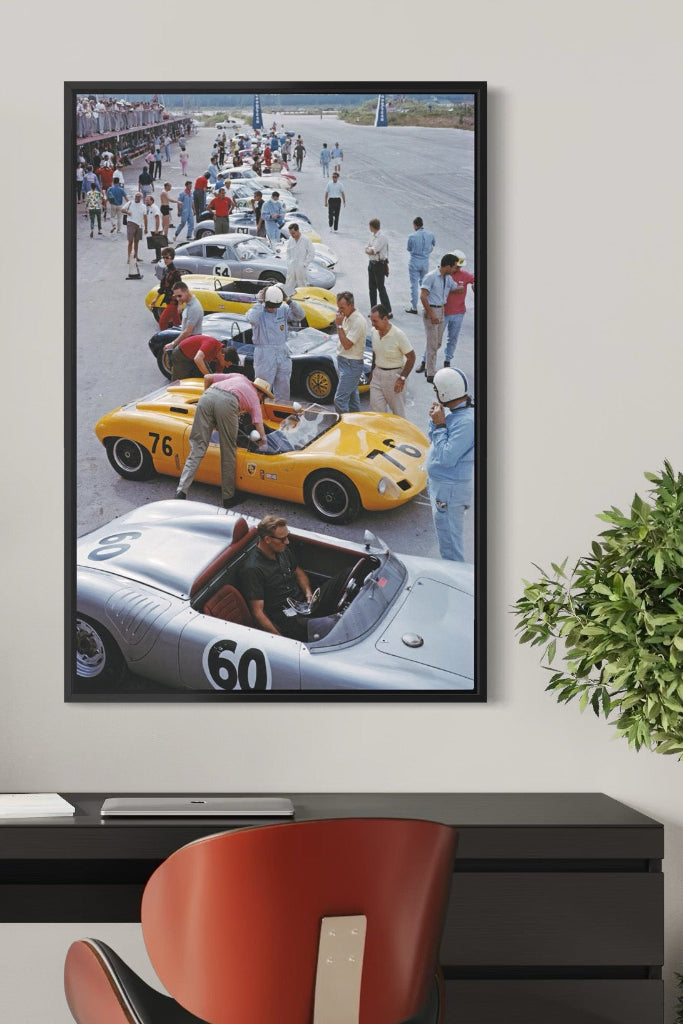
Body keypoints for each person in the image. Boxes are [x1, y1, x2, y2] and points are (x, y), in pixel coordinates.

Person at [240, 516, 353, 641]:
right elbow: (258, 613)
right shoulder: (252, 569)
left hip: (303, 603)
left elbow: (298, 571)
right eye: (283, 539)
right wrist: (279, 639)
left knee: (348, 574)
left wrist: (308, 593)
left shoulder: (281, 550)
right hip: (288, 619)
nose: (287, 542)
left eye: (287, 536)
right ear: (267, 539)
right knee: (335, 626)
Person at [175, 375, 272, 508]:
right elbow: (258, 424)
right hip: (228, 403)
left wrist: (208, 404)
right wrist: (263, 443)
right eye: (263, 398)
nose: (262, 401)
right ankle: (228, 498)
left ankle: (181, 491)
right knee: (228, 451)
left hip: (207, 397)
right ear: (260, 393)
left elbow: (207, 377)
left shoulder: (240, 377)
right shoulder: (255, 398)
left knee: (197, 448)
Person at [426, 367, 474, 562]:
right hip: (443, 486)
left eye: (437, 390)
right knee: (445, 536)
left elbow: (446, 458)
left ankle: (456, 584)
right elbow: (435, 441)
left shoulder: (466, 422)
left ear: (445, 392)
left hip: (449, 491)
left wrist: (439, 425)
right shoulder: (456, 414)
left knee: (450, 547)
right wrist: (436, 423)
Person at [245, 284, 306, 400]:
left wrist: (288, 300)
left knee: (283, 388)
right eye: (270, 306)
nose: (272, 309)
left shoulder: (282, 310)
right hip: (264, 354)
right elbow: (251, 319)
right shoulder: (258, 312)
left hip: (282, 352)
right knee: (262, 389)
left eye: (275, 306)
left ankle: (281, 413)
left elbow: (300, 315)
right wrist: (259, 302)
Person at [368, 304, 415, 417]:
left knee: (398, 414)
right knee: (377, 413)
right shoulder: (374, 332)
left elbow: (411, 357)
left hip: (394, 377)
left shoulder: (398, 335)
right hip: (377, 375)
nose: (372, 324)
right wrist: (372, 370)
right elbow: (375, 351)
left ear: (385, 319)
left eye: (375, 321)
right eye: (371, 321)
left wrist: (402, 378)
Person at [419, 254, 459, 381]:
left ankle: (427, 367)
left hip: (441, 309)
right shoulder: (431, 277)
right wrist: (431, 314)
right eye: (454, 267)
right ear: (448, 266)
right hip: (431, 310)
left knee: (437, 342)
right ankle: (430, 373)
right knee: (432, 344)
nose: (455, 270)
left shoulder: (447, 278)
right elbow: (423, 296)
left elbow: (455, 287)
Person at [333, 291, 367, 414]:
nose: (339, 311)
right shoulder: (347, 317)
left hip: (351, 364)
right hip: (345, 362)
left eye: (342, 307)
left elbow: (347, 344)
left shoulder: (358, 321)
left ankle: (345, 426)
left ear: (351, 305)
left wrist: (339, 326)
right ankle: (355, 422)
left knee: (339, 400)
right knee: (353, 399)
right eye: (338, 307)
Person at [443, 250, 475, 367]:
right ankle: (425, 361)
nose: (458, 268)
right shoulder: (444, 273)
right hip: (443, 312)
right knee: (434, 340)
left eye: (460, 266)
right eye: (457, 266)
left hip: (458, 313)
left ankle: (447, 360)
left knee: (452, 339)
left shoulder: (465, 275)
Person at [405, 216, 436, 315]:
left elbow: (409, 248)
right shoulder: (430, 234)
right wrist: (427, 251)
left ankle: (414, 307)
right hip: (425, 262)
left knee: (414, 285)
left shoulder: (412, 236)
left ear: (415, 225)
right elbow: (433, 245)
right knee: (424, 284)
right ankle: (426, 305)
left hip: (414, 261)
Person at [163, 282, 204, 354]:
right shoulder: (189, 302)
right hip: (188, 338)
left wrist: (173, 344)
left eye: (179, 296)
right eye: (176, 296)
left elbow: (188, 331)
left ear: (187, 291)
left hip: (192, 341)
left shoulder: (194, 308)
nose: (178, 299)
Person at [365, 218, 392, 317]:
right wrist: (369, 250)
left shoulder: (382, 237)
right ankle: (374, 310)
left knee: (381, 288)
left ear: (372, 227)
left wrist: (369, 250)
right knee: (372, 288)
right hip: (372, 263)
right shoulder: (373, 237)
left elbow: (373, 250)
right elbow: (367, 247)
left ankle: (388, 310)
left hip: (379, 264)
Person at [284, 223, 314, 293]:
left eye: (293, 233)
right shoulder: (291, 239)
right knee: (289, 283)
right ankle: (288, 297)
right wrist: (288, 262)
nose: (292, 235)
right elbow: (288, 252)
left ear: (298, 231)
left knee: (302, 284)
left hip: (301, 266)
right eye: (290, 233)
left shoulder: (306, 240)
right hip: (292, 265)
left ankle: (303, 297)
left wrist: (305, 264)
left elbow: (311, 253)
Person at [122, 191, 146, 262]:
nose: (137, 198)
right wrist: (127, 212)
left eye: (139, 197)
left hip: (139, 224)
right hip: (131, 223)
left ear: (141, 198)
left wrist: (146, 227)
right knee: (130, 241)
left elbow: (145, 217)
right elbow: (122, 209)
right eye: (136, 196)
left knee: (136, 241)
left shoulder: (143, 206)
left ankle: (136, 256)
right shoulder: (130, 203)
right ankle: (129, 257)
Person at [143, 195, 164, 262]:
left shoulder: (155, 208)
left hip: (156, 230)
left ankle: (158, 259)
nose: (146, 201)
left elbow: (157, 219)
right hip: (153, 229)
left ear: (152, 201)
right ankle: (158, 258)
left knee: (157, 245)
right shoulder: (150, 208)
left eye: (147, 200)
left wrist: (157, 229)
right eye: (146, 200)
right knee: (156, 245)